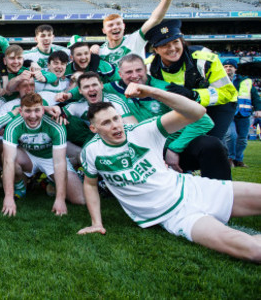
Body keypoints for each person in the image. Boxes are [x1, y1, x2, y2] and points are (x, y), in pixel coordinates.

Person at [78, 84, 261, 263]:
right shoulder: (92, 151)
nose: (115, 126)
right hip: (175, 216)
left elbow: (196, 112)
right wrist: (96, 223)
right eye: (106, 123)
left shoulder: (143, 131)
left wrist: (152, 92)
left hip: (195, 189)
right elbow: (90, 184)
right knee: (253, 250)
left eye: (116, 118)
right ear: (94, 129)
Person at [105, 54, 231, 181]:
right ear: (120, 74)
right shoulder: (111, 90)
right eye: (129, 72)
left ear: (145, 69)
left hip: (174, 148)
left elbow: (203, 122)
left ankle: (222, 192)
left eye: (139, 70)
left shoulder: (164, 89)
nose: (135, 75)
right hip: (143, 153)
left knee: (211, 145)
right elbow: (88, 88)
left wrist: (174, 149)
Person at [145, 20, 237, 139]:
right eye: (165, 45)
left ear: (182, 41)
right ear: (155, 50)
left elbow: (227, 92)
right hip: (180, 106)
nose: (172, 48)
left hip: (217, 106)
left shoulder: (204, 59)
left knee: (210, 142)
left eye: (175, 42)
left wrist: (194, 95)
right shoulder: (148, 67)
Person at [2, 93, 85, 217]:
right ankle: (20, 187)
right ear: (21, 111)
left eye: (37, 110)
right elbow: (8, 161)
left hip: (51, 158)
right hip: (28, 156)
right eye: (28, 111)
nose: (33, 116)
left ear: (43, 110)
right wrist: (8, 197)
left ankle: (48, 180)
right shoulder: (13, 126)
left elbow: (59, 162)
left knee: (80, 200)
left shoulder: (56, 125)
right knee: (7, 156)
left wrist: (60, 199)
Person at [95, 0, 181, 65]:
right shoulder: (100, 51)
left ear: (124, 26)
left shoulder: (134, 39)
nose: (115, 27)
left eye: (118, 24)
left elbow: (154, 19)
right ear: (104, 30)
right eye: (110, 25)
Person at [222, 59, 261, 168]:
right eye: (226, 66)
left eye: (230, 66)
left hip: (244, 113)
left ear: (235, 68)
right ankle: (230, 158)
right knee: (231, 135)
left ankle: (238, 160)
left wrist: (258, 109)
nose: (228, 68)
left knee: (243, 139)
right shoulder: (218, 81)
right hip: (227, 113)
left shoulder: (245, 81)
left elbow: (255, 96)